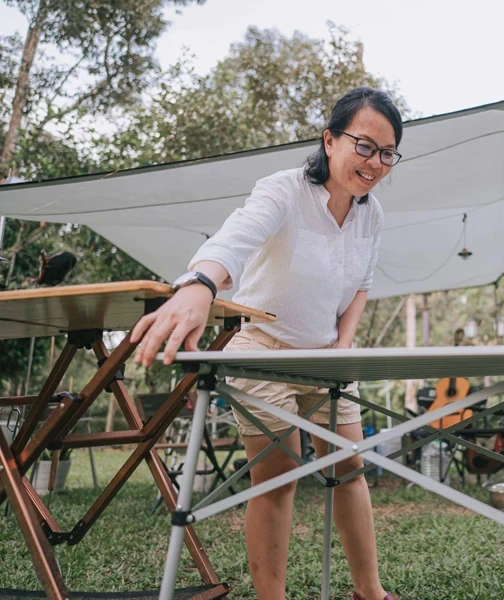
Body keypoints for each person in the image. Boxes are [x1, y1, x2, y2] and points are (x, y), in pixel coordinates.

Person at [131, 87, 401, 600]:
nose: (375, 163)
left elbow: (361, 285)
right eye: (364, 146)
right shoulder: (283, 190)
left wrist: (343, 345)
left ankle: (370, 593)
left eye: (387, 154)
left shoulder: (373, 214)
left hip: (326, 358)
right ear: (330, 140)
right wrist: (198, 286)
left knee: (349, 469)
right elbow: (235, 238)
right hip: (262, 350)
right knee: (277, 476)